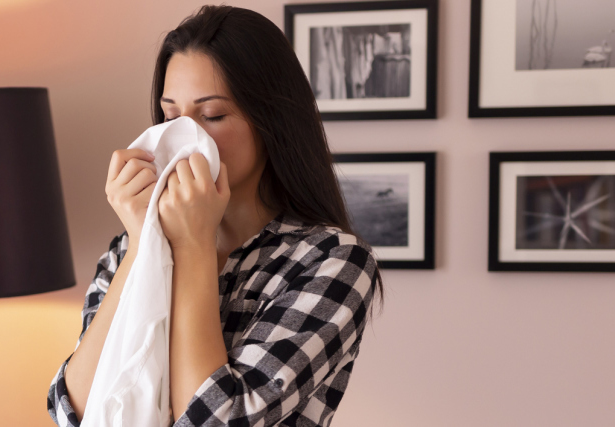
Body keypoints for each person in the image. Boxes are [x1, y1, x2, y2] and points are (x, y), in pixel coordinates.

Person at [46, 5, 384, 427]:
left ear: (271, 123)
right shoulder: (127, 248)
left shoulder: (331, 261)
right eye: (170, 115)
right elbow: (73, 409)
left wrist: (192, 244)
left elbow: (217, 419)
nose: (182, 136)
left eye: (212, 116)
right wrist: (142, 242)